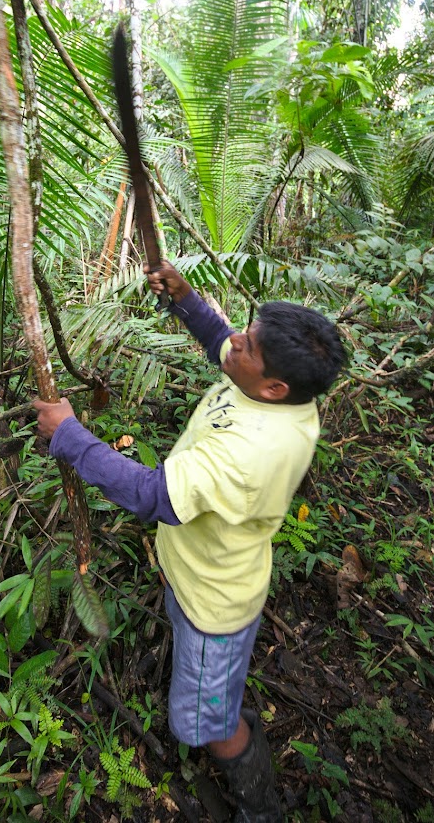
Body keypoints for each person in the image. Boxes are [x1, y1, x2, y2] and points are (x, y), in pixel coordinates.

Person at [33, 262, 345, 823]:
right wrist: (186, 301)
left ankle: (259, 805)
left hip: (213, 605)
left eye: (247, 345)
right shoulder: (285, 392)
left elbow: (150, 494)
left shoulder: (251, 452)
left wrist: (71, 436)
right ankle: (228, 701)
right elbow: (224, 347)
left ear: (274, 387)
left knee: (201, 724)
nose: (235, 343)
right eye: (246, 332)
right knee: (210, 696)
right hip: (202, 571)